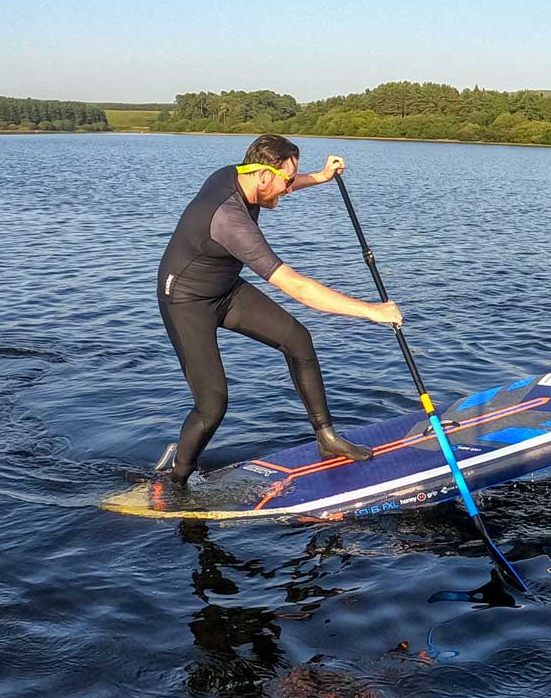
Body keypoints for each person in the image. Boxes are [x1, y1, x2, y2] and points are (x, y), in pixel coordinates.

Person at [157, 133, 402, 486]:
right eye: (285, 181)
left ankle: (326, 437)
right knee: (212, 405)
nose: (288, 190)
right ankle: (176, 481)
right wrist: (371, 311)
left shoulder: (244, 175)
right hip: (185, 300)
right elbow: (298, 288)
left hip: (224, 288)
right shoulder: (229, 219)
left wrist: (319, 176)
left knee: (297, 339)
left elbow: (284, 181)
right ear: (262, 175)